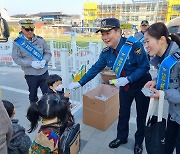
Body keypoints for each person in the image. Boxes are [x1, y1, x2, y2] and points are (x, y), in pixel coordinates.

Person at [69, 18, 151, 154]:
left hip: (142, 85)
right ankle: (121, 137)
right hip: (125, 87)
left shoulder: (134, 46)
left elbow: (145, 67)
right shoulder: (107, 53)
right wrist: (80, 82)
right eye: (102, 34)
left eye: (108, 33)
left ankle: (138, 142)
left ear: (118, 31)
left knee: (141, 116)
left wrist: (128, 79)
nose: (105, 37)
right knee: (123, 112)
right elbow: (95, 69)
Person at [144, 22, 180, 154]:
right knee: (167, 147)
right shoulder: (163, 59)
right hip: (173, 114)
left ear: (162, 40)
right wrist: (155, 81)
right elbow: (166, 78)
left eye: (148, 41)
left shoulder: (177, 60)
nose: (146, 46)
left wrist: (162, 93)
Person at [12, 19, 52, 104]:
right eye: (27, 30)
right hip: (31, 74)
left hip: (44, 72)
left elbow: (48, 53)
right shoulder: (18, 43)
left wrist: (45, 60)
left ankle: (48, 113)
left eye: (32, 29)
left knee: (48, 94)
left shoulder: (40, 40)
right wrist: (31, 63)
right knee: (33, 96)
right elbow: (16, 58)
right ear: (22, 29)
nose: (30, 32)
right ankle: (34, 115)